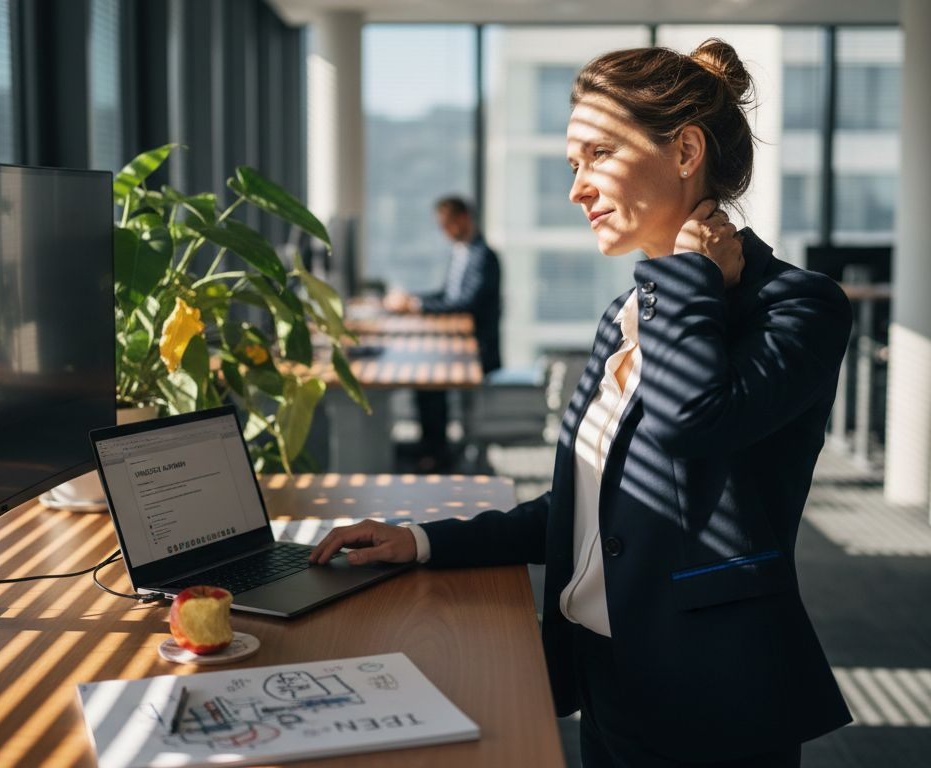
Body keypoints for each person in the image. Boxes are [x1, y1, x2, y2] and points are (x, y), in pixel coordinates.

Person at [313, 40, 852, 766]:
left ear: (686, 150)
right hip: (607, 683)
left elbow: (694, 423)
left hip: (711, 703)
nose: (577, 189)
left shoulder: (798, 307)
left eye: (597, 154)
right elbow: (583, 512)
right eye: (574, 164)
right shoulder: (625, 316)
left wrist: (688, 275)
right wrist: (424, 541)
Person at [385, 197, 502, 471]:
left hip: (477, 350)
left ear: (463, 219)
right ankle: (432, 447)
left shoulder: (484, 257)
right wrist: (413, 300)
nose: (444, 231)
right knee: (424, 376)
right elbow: (447, 294)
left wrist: (416, 306)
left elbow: (465, 305)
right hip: (459, 343)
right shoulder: (461, 252)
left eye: (446, 224)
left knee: (428, 377)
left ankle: (437, 452)